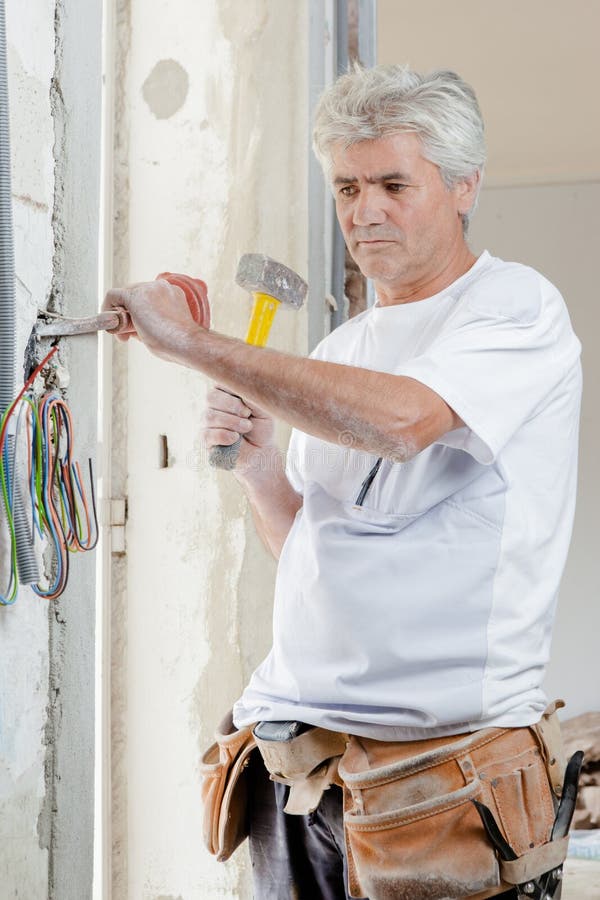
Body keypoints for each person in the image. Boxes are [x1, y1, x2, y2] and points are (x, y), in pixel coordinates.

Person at [105, 65, 582, 900]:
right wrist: (259, 470)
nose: (365, 211)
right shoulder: (341, 350)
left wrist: (190, 344)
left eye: (395, 183)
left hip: (440, 780)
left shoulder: (515, 308)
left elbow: (402, 423)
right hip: (296, 768)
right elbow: (308, 545)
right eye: (348, 187)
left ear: (466, 184)